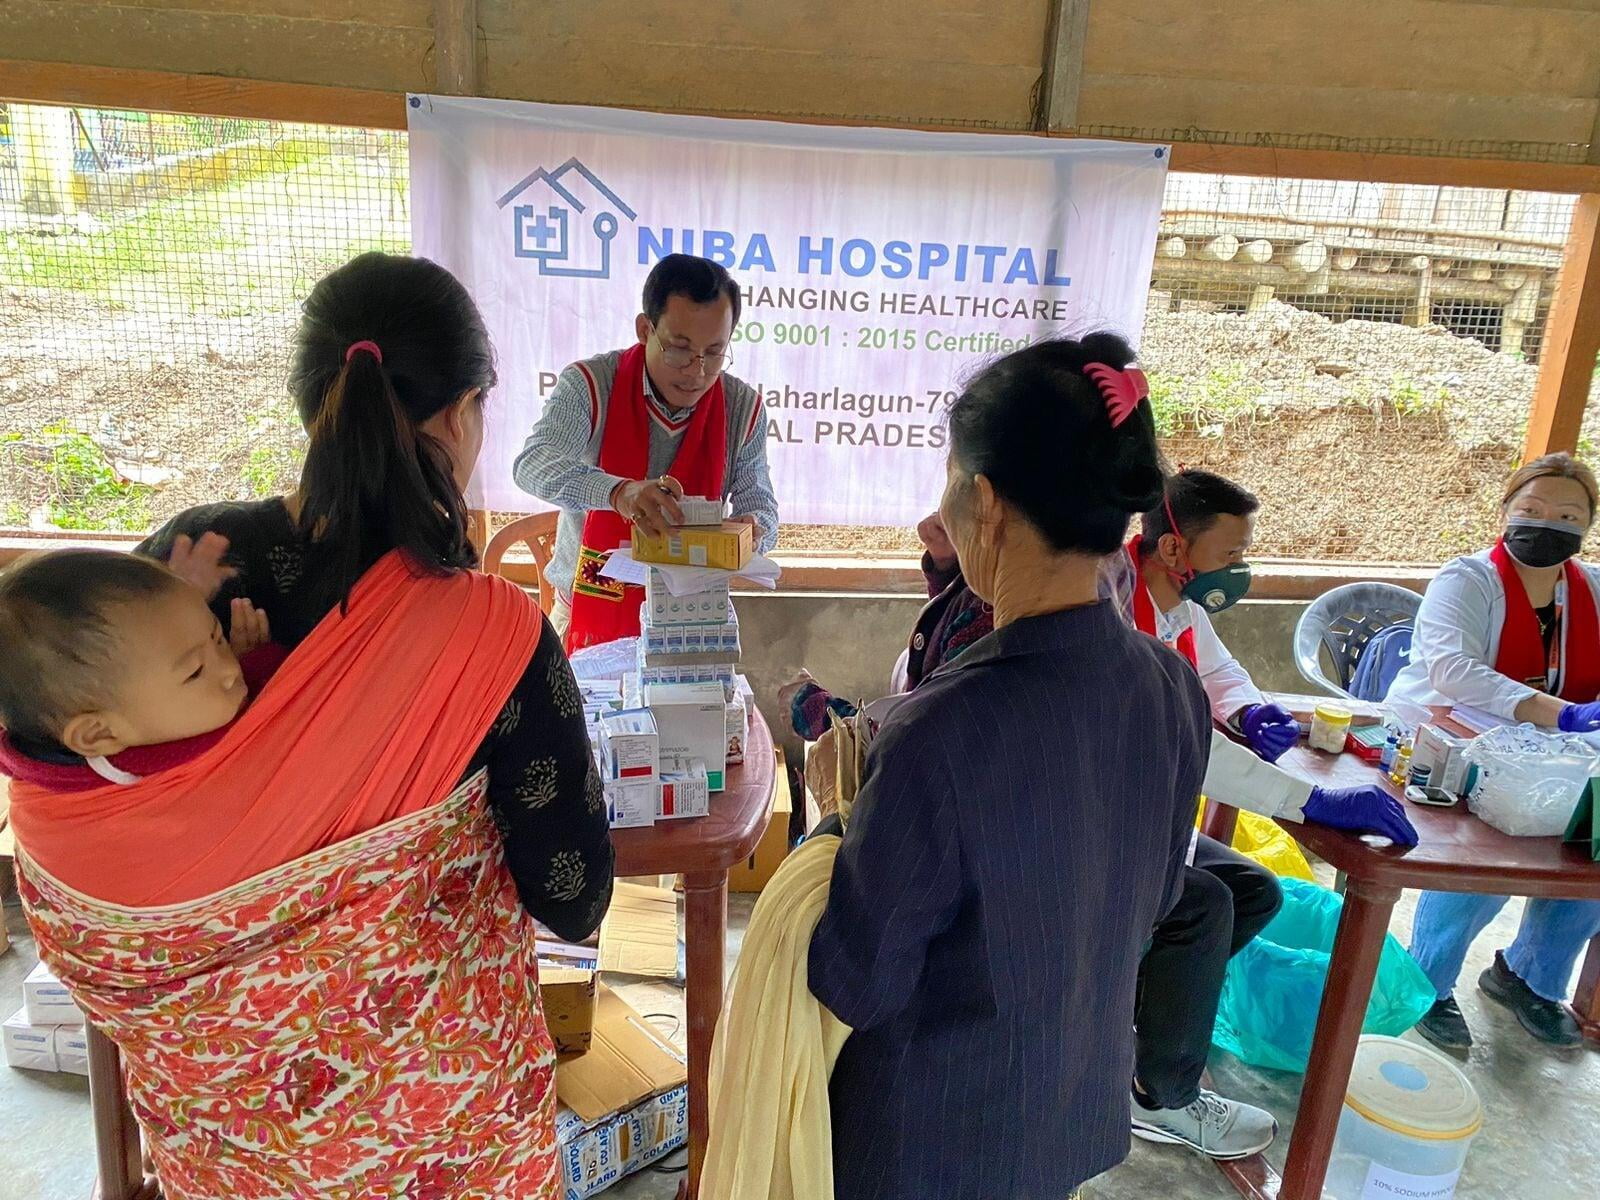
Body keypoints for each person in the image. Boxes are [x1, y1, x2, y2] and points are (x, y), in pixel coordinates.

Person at [5, 252, 613, 1199]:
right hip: (446, 1146)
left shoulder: (181, 569)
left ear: (311, 403)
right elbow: (571, 895)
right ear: (463, 414)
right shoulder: (488, 635)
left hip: (230, 1161)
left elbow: (71, 802)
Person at [807, 332, 1210, 1199]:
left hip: (927, 1144)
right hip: (1067, 1114)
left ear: (985, 502)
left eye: (949, 480)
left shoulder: (940, 731)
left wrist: (834, 836)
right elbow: (1153, 900)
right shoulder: (1173, 688)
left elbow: (858, 983)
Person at [1101, 467, 1417, 1157]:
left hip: (1135, 817)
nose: (1241, 568)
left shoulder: (1175, 603)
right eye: (1233, 553)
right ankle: (1160, 1095)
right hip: (1093, 827)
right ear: (1175, 548)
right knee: (1201, 908)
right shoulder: (1113, 612)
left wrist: (1250, 710)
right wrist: (1308, 800)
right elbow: (1182, 741)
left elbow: (1217, 674)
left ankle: (1129, 1029)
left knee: (1253, 890)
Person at [1387, 451, 1600, 1050]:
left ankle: (1528, 976)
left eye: (1568, 515)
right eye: (1531, 508)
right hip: (1454, 735)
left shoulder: (1592, 589)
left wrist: (1571, 723)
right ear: (1505, 510)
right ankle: (1427, 981)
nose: (1547, 523)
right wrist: (1559, 713)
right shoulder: (1468, 579)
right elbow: (1453, 671)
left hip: (1558, 749)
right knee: (1488, 853)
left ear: (1587, 525)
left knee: (1592, 849)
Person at [514, 253, 779, 650]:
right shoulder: (591, 385)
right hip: (586, 612)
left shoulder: (742, 408)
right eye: (679, 349)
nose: (696, 372)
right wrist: (619, 493)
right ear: (645, 329)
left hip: (691, 618)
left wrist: (753, 530)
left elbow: (762, 507)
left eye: (713, 353)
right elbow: (533, 463)